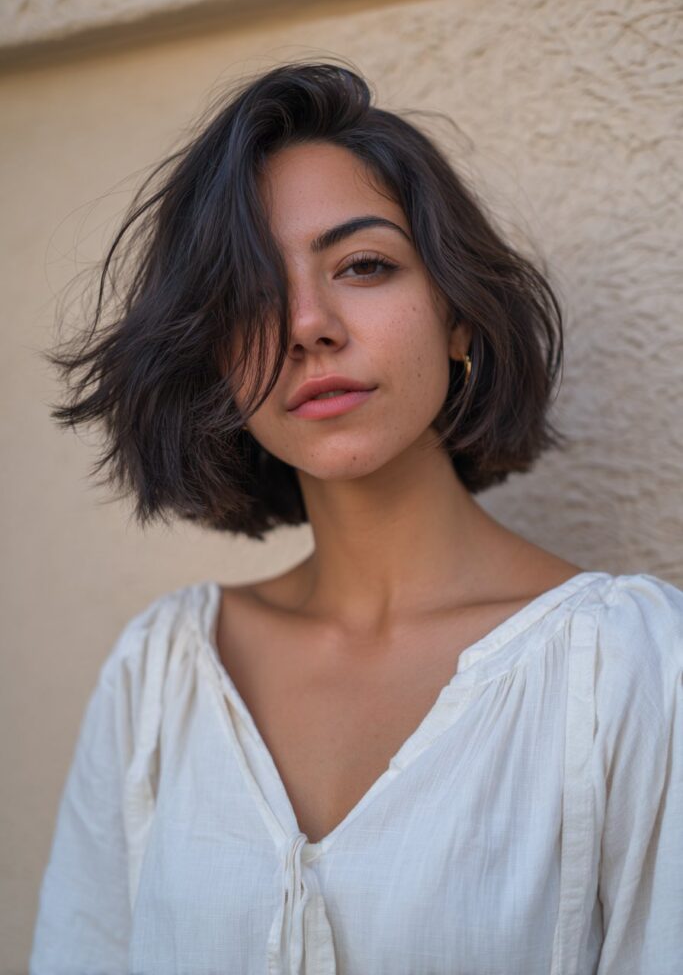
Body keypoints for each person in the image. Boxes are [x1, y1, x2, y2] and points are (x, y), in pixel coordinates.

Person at [30, 59, 682, 974]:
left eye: (364, 265)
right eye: (249, 294)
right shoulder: (161, 676)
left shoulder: (630, 670)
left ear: (457, 315)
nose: (307, 324)